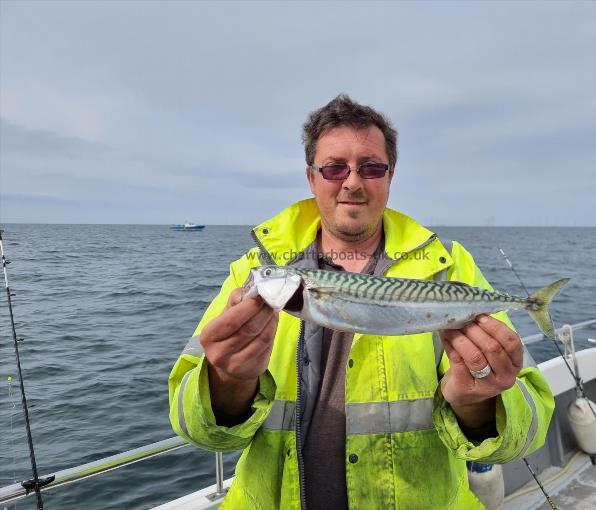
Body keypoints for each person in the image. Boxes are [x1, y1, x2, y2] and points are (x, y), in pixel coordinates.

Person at [168, 94, 554, 509]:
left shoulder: (449, 267)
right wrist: (228, 381)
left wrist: (479, 404)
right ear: (311, 177)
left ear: (390, 176)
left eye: (370, 168)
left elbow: (528, 429)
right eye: (335, 168)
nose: (352, 182)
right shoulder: (254, 268)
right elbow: (195, 429)